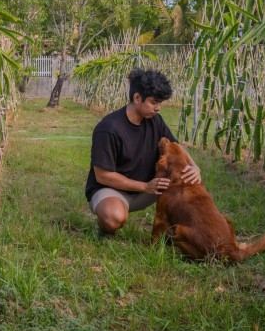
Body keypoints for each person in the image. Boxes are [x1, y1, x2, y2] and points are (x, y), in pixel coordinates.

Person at [85, 68, 202, 237]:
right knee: (114, 217)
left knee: (188, 178)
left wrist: (194, 167)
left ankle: (176, 232)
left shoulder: (155, 121)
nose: (158, 108)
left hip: (149, 188)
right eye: (154, 102)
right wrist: (145, 186)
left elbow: (175, 146)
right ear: (137, 98)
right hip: (112, 190)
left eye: (160, 103)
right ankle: (105, 231)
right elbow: (103, 176)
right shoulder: (109, 129)